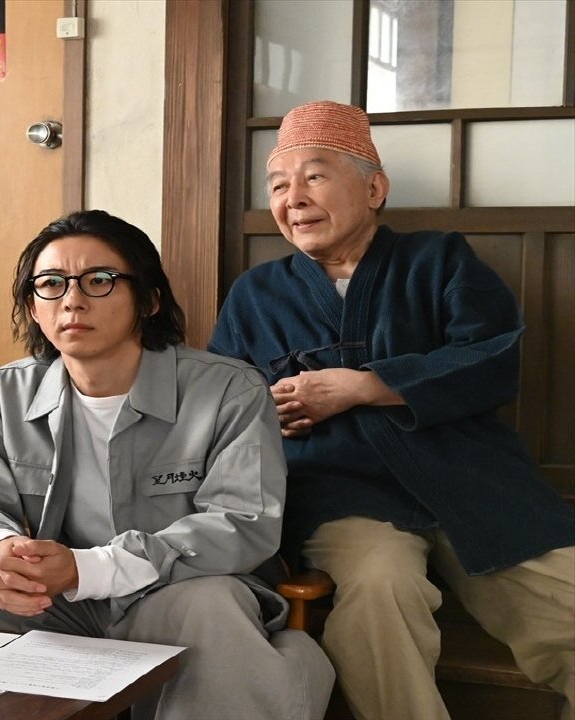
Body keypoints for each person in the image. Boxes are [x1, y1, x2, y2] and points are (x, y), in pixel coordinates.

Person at [208, 100, 575, 720]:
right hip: (341, 495)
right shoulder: (257, 294)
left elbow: (492, 357)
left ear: (374, 189)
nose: (294, 198)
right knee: (379, 592)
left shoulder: (439, 261)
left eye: (314, 176)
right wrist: (266, 416)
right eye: (278, 185)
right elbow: (221, 405)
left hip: (469, 480)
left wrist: (363, 386)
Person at [0, 209, 335, 720]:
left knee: (207, 602)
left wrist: (86, 569)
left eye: (99, 280)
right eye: (51, 283)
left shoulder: (228, 389)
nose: (72, 300)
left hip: (175, 594)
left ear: (149, 300)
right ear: (33, 307)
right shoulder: (4, 393)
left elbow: (242, 523)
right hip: (59, 603)